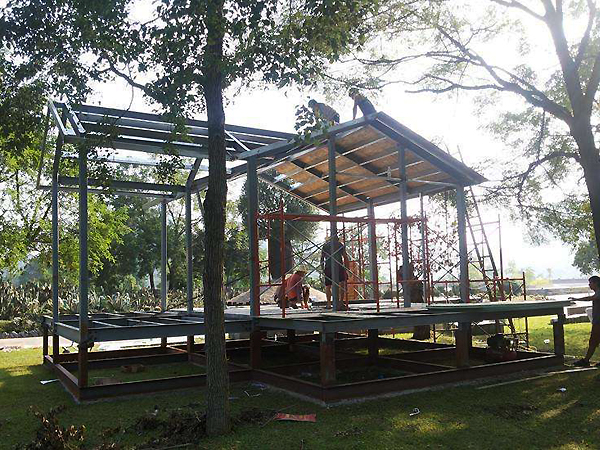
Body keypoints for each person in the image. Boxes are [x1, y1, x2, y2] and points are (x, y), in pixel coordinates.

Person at [571, 276, 600, 367]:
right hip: (597, 321)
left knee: (593, 341)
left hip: (598, 322)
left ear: (596, 283)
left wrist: (577, 299)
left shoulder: (599, 293)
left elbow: (590, 298)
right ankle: (586, 360)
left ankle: (586, 360)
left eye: (590, 283)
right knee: (594, 341)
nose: (589, 285)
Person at [320, 236, 349, 309]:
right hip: (339, 266)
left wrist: (322, 269)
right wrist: (347, 268)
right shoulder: (340, 245)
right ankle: (341, 302)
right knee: (342, 284)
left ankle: (329, 303)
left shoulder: (325, 246)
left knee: (328, 285)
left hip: (328, 267)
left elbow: (322, 258)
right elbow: (345, 256)